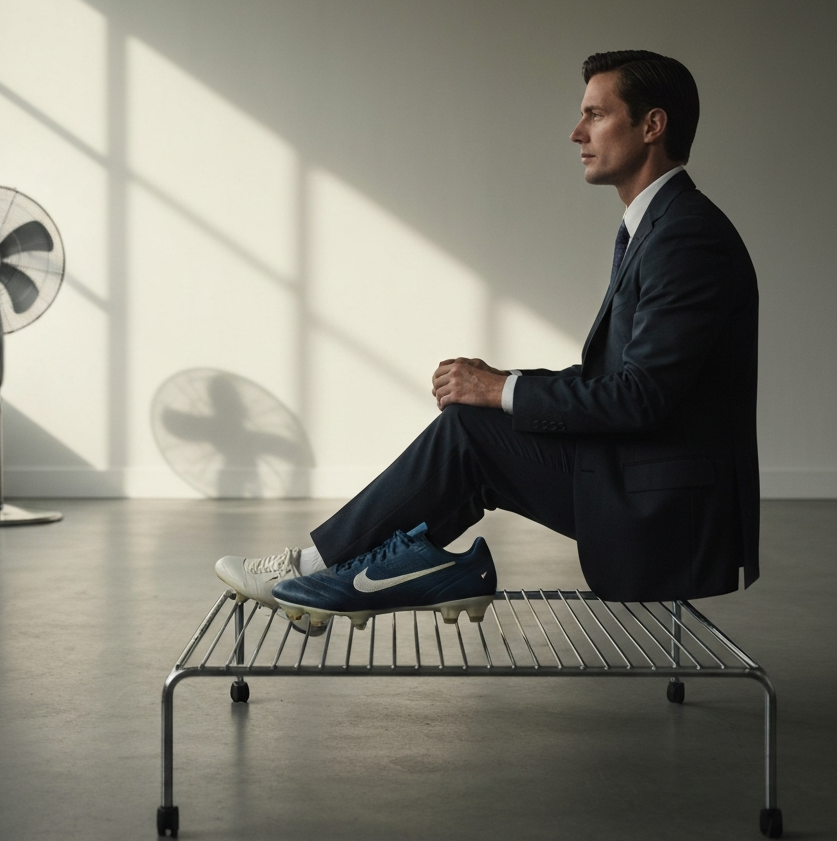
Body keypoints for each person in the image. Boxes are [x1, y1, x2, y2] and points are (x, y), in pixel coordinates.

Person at [215, 50, 759, 630]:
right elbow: (616, 381)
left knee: (472, 428)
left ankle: (318, 573)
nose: (577, 133)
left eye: (596, 115)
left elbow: (640, 397)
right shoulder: (657, 227)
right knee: (473, 422)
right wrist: (500, 384)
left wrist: (500, 390)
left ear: (652, 126)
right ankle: (340, 576)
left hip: (671, 507)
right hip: (640, 470)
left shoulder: (684, 239)